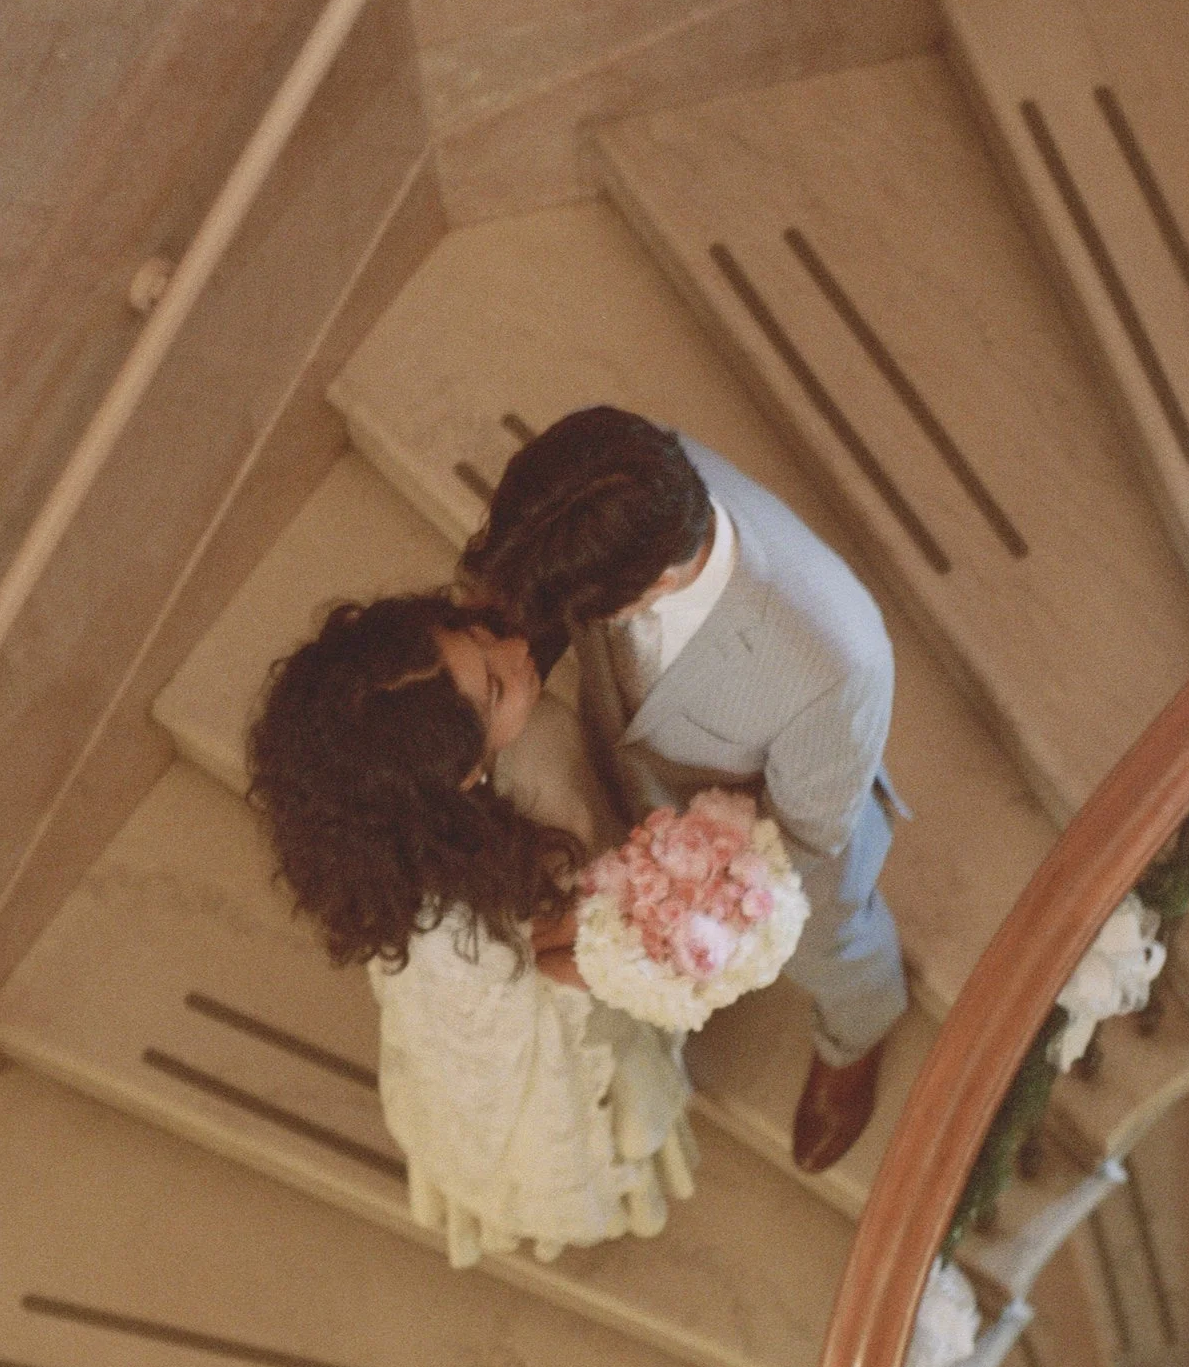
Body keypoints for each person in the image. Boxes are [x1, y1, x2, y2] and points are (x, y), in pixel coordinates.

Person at [461, 406, 907, 1173]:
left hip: (785, 830)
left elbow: (799, 844)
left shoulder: (838, 663)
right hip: (640, 764)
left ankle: (857, 1032)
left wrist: (650, 945)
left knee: (833, 941)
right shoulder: (624, 470)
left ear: (658, 580)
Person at [247, 593, 696, 1267]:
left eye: (468, 632)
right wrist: (628, 933)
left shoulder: (489, 754)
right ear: (461, 774)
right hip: (531, 1018)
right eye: (494, 685)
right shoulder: (449, 937)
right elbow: (530, 998)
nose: (517, 652)